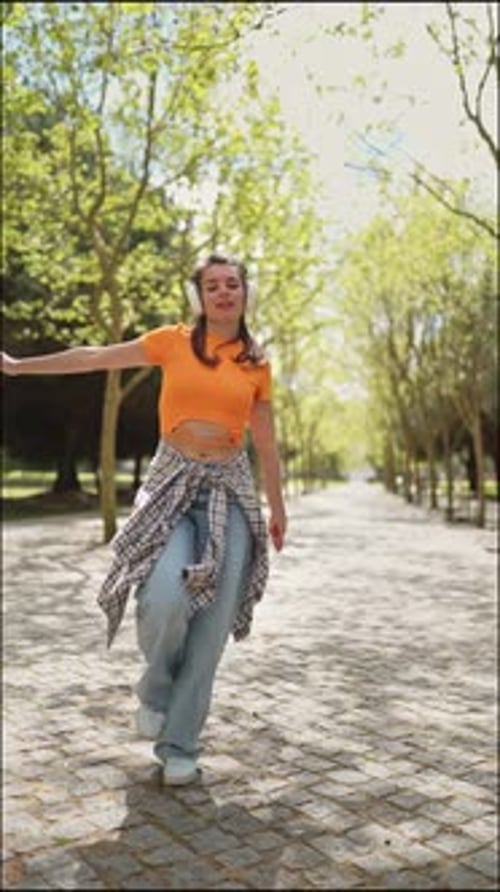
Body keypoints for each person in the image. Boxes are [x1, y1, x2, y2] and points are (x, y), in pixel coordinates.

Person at [1, 254, 287, 786]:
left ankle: (180, 745)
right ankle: (155, 691)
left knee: (212, 629)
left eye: (233, 284)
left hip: (230, 491)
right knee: (162, 596)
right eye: (212, 285)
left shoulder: (256, 362)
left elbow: (265, 444)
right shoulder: (171, 341)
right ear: (199, 296)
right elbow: (94, 357)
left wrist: (277, 508)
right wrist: (19, 366)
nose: (224, 292)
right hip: (171, 486)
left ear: (245, 293)